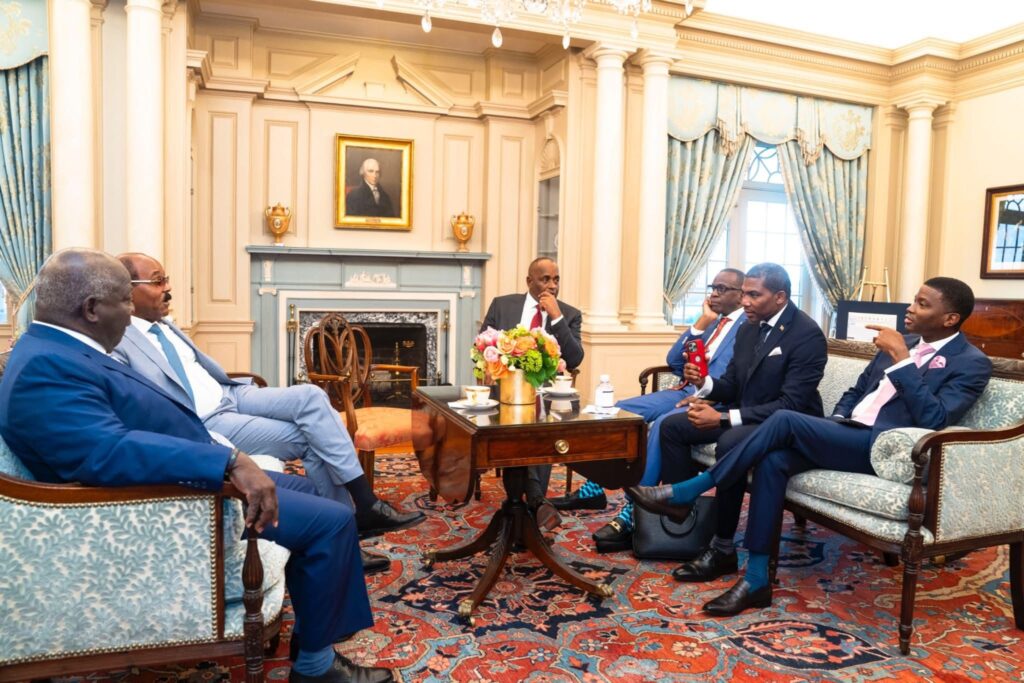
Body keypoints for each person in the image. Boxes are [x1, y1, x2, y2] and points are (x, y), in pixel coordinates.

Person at [0, 249, 393, 683]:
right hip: (167, 501)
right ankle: (316, 669)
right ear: (91, 309)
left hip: (177, 481)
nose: (130, 313)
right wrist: (226, 460)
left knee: (314, 494)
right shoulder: (46, 367)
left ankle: (313, 632)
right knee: (332, 521)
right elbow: (106, 453)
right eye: (125, 301)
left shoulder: (59, 350)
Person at [631, 276, 992, 617]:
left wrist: (902, 361)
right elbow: (857, 391)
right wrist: (835, 422)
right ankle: (756, 579)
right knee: (773, 460)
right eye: (914, 300)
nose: (910, 308)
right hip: (846, 433)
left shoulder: (970, 363)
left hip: (885, 449)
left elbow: (934, 418)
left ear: (950, 318)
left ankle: (689, 490)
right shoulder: (904, 343)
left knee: (785, 419)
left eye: (922, 304)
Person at [111, 253, 423, 549]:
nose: (168, 288)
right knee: (312, 437)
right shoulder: (118, 340)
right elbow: (139, 404)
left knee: (311, 396)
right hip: (208, 418)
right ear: (127, 290)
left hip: (232, 393)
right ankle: (349, 525)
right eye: (158, 281)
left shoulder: (164, 324)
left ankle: (363, 505)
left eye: (166, 279)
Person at [633, 262, 828, 578]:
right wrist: (705, 384)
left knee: (729, 441)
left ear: (780, 297)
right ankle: (684, 514)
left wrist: (723, 417)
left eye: (754, 295)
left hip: (787, 422)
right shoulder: (749, 328)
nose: (745, 301)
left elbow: (790, 404)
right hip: (747, 413)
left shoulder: (806, 335)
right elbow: (734, 384)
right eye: (745, 293)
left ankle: (722, 547)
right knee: (672, 427)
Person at [549, 268, 747, 553]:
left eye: (722, 289)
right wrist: (702, 322)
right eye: (712, 287)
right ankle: (594, 488)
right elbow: (674, 361)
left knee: (665, 423)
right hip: (684, 391)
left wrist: (712, 399)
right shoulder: (714, 322)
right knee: (617, 411)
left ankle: (632, 510)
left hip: (714, 400)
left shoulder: (747, 327)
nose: (714, 294)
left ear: (740, 295)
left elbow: (739, 378)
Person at [480, 256, 584, 528]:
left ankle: (524, 506)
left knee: (538, 425)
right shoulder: (503, 305)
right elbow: (482, 346)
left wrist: (556, 317)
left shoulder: (569, 314)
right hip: (504, 391)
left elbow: (575, 359)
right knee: (516, 425)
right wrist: (488, 366)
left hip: (545, 394)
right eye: (545, 279)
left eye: (556, 279)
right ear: (529, 281)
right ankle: (537, 502)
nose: (552, 285)